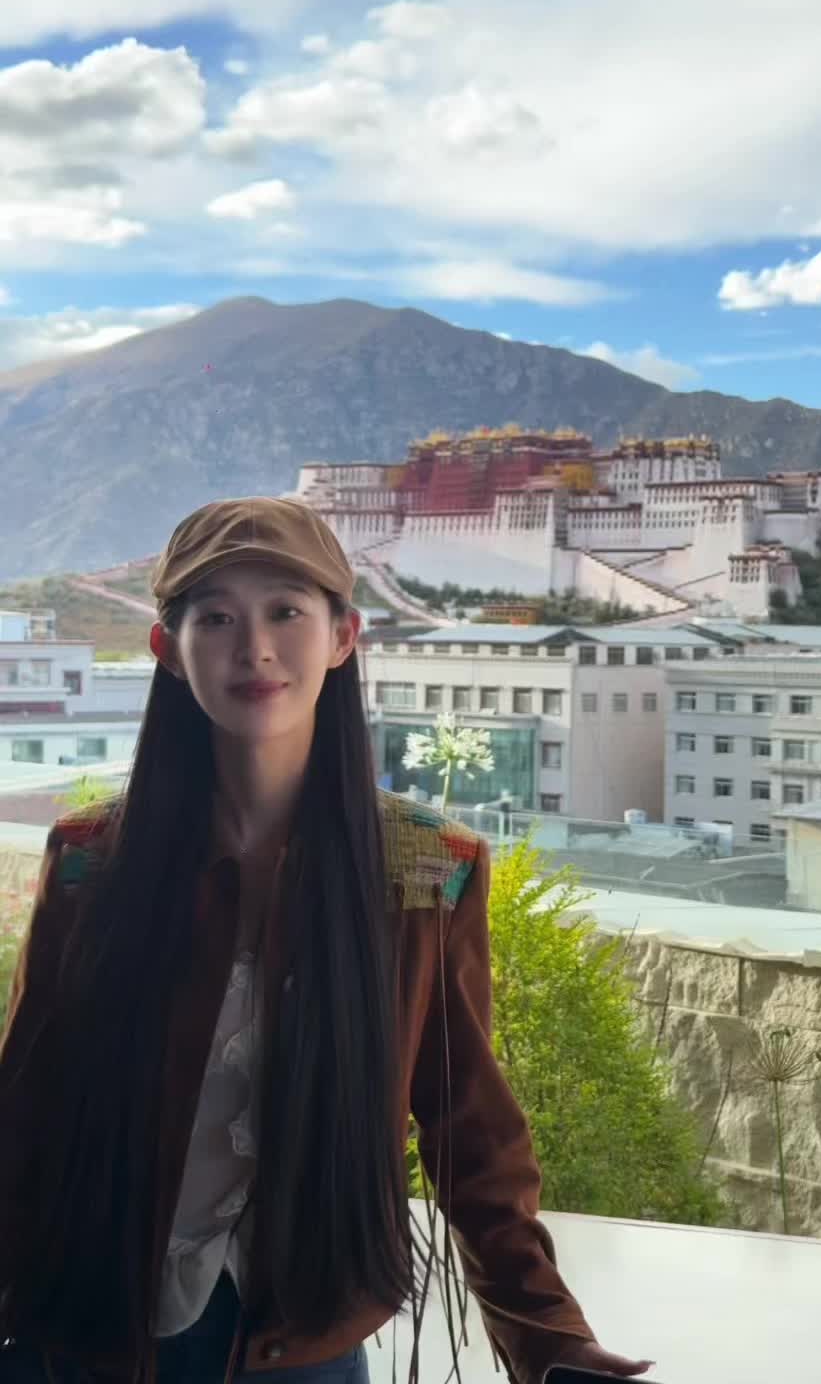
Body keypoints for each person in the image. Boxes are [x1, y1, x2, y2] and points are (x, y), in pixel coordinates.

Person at [0, 498, 655, 1384]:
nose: (255, 648)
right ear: (167, 650)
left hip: (303, 1340)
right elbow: (26, 1106)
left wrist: (548, 1335)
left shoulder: (429, 873)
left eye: (285, 612)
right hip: (88, 1327)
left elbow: (469, 1126)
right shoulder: (92, 861)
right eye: (216, 618)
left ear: (344, 638)